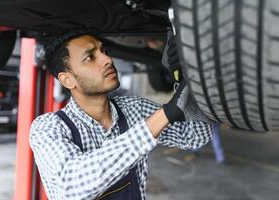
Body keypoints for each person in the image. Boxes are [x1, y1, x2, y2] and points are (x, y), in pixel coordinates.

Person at [29, 30, 213, 200]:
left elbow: (195, 136)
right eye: (90, 57)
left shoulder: (133, 109)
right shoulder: (47, 128)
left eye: (104, 50)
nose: (107, 59)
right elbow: (71, 186)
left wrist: (188, 76)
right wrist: (163, 116)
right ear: (67, 79)